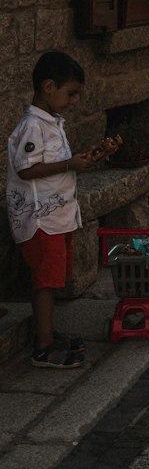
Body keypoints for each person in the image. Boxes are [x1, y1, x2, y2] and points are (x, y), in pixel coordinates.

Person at [6, 51, 94, 369]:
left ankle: (46, 332)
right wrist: (70, 163)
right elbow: (26, 169)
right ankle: (43, 346)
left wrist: (77, 162)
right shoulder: (32, 126)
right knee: (45, 281)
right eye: (70, 93)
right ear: (48, 86)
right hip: (41, 221)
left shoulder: (51, 123)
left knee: (52, 279)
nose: (74, 100)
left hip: (57, 217)